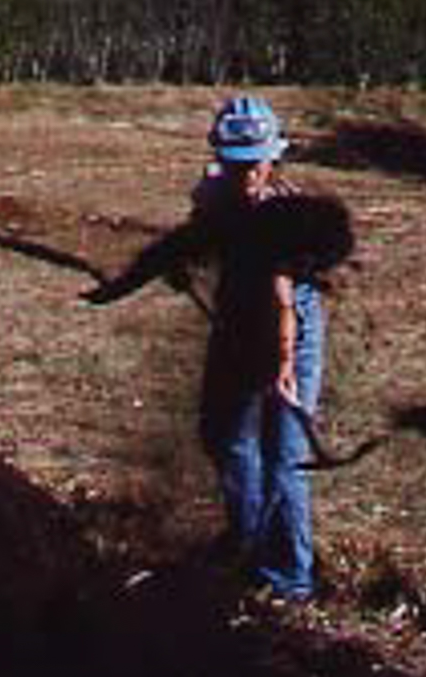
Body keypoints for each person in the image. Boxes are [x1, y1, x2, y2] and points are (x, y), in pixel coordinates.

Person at [85, 94, 341, 600]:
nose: (247, 176)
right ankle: (247, 538)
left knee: (283, 453)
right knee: (225, 436)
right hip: (239, 316)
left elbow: (283, 301)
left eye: (256, 165)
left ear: (274, 159)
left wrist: (285, 365)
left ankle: (289, 576)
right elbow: (184, 243)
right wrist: (130, 282)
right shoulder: (214, 195)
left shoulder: (284, 214)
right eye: (236, 164)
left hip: (292, 325)